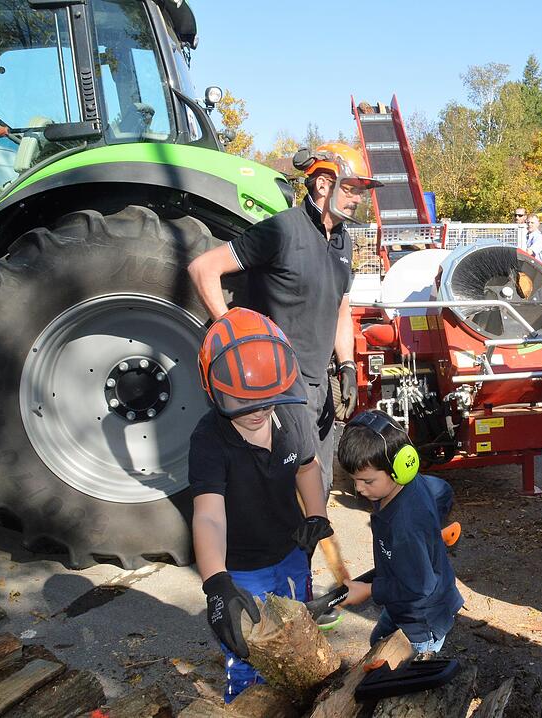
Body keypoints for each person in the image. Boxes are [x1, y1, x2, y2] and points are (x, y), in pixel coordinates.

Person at [188, 142, 381, 496]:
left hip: (318, 386)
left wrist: (348, 366)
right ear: (324, 185)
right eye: (351, 189)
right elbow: (204, 268)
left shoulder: (344, 242)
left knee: (318, 488)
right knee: (286, 495)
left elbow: (341, 307)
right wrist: (233, 336)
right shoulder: (282, 230)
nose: (357, 199)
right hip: (279, 388)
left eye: (359, 192)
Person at [190, 308, 332, 701]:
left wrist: (316, 513)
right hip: (241, 568)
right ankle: (246, 699)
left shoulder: (291, 413)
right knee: (249, 650)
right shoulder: (209, 439)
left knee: (298, 633)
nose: (257, 412)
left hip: (290, 552)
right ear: (213, 388)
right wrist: (218, 584)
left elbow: (308, 466)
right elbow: (208, 515)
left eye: (266, 402)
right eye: (244, 403)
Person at [338, 411, 464, 655]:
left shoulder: (405, 525)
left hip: (421, 621)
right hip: (401, 602)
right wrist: (431, 536)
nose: (358, 488)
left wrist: (369, 590)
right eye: (354, 479)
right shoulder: (403, 486)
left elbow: (420, 586)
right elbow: (442, 490)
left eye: (367, 481)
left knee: (405, 674)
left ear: (399, 469)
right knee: (378, 642)